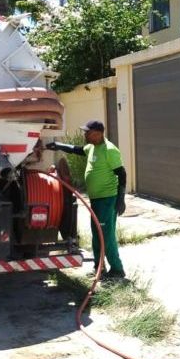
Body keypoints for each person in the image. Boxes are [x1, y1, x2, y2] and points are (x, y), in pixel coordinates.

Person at [45, 120, 127, 280]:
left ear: (98, 133)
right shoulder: (91, 148)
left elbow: (121, 174)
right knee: (97, 234)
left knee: (106, 235)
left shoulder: (109, 150)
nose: (85, 134)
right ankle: (99, 267)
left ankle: (117, 269)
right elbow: (76, 150)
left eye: (87, 132)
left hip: (107, 199)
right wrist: (58, 145)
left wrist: (121, 199)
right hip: (96, 200)